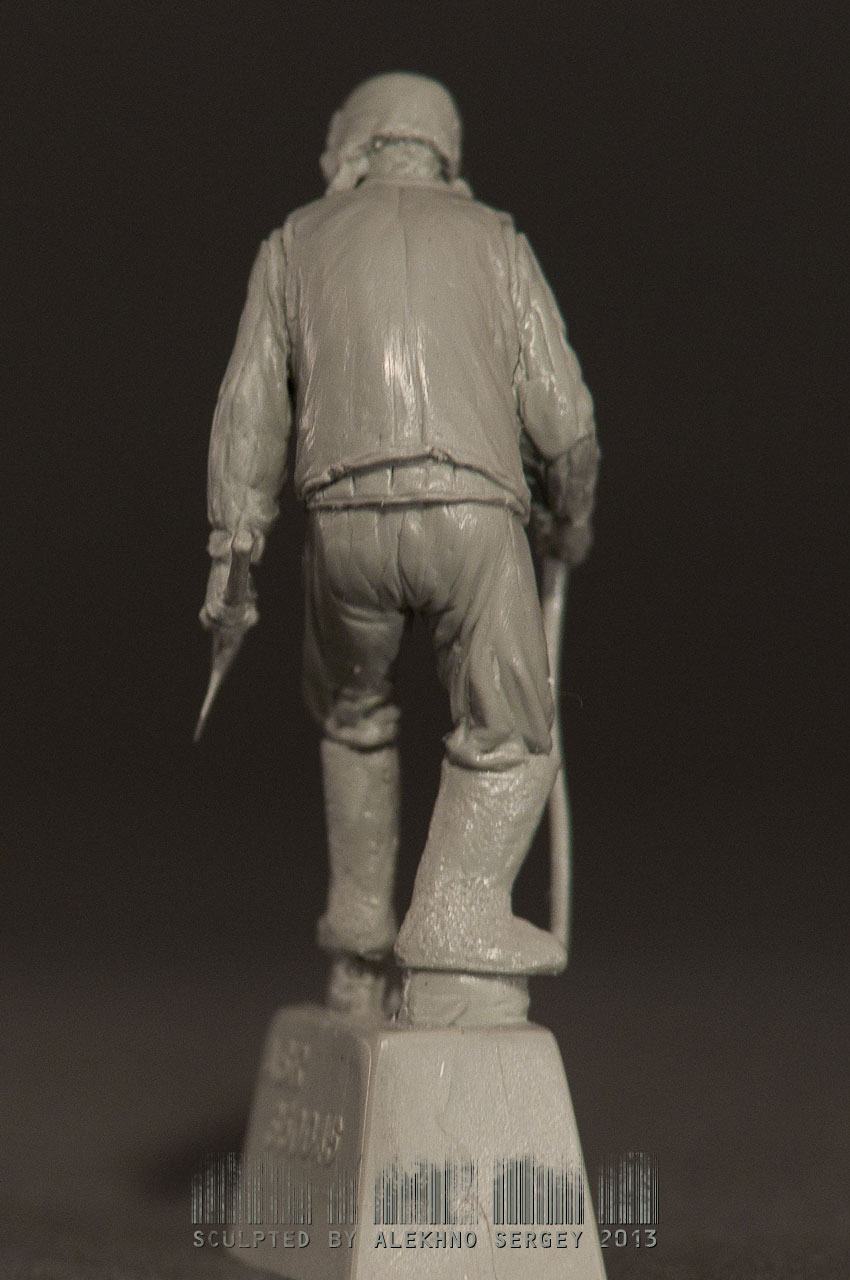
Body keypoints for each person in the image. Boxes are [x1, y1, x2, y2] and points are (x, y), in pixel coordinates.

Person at [200, 73, 599, 1004]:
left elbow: (250, 409)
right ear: (443, 151)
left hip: (344, 528)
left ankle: (356, 950)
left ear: (355, 147)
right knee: (511, 736)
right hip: (473, 520)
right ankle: (457, 914)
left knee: (353, 720)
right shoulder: (497, 241)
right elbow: (565, 421)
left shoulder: (295, 241)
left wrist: (234, 542)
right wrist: (570, 517)